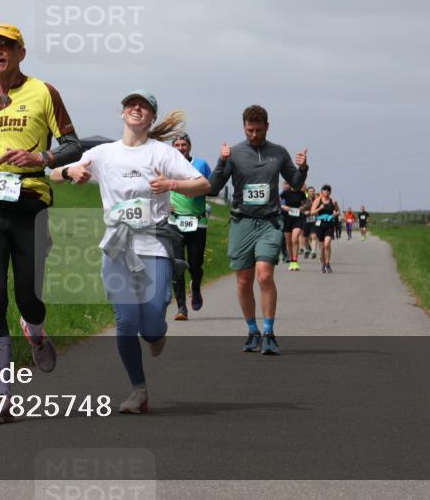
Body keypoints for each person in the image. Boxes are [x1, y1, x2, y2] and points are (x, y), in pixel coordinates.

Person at [0, 23, 84, 424]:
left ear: (21, 53)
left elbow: (74, 145)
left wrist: (43, 159)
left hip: (31, 204)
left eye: (6, 46)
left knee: (27, 297)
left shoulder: (44, 92)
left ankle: (36, 330)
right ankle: (2, 395)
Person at [51, 91, 209, 413]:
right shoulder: (103, 154)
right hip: (117, 247)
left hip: (153, 244)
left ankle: (157, 332)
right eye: (131, 105)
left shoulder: (162, 154)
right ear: (122, 113)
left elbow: (203, 184)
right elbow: (53, 173)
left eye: (144, 106)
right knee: (125, 322)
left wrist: (172, 185)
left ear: (151, 118)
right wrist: (69, 172)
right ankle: (138, 391)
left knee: (150, 324)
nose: (136, 109)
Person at [208, 105, 308, 355]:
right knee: (243, 281)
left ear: (267, 127)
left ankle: (269, 333)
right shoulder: (233, 153)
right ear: (244, 127)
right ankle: (252, 331)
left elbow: (295, 183)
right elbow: (212, 187)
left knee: (264, 275)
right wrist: (221, 161)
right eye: (249, 130)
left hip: (269, 222)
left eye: (258, 130)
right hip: (242, 221)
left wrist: (303, 168)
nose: (254, 134)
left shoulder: (279, 153)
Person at [169, 133, 212, 320]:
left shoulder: (201, 165)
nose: (180, 148)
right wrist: (163, 202)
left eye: (184, 144)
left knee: (195, 265)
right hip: (174, 222)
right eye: (177, 145)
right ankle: (181, 308)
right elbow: (156, 187)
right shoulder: (166, 165)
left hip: (197, 223)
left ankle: (195, 288)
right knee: (176, 266)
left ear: (190, 146)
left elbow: (211, 187)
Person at [310, 185, 338, 273]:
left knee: (327, 244)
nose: (326, 191)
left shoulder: (333, 201)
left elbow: (337, 211)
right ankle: (323, 263)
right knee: (322, 247)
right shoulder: (317, 200)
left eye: (328, 190)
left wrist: (335, 214)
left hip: (329, 224)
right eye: (325, 190)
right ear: (322, 191)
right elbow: (312, 212)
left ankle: (328, 263)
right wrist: (320, 208)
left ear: (330, 192)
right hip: (320, 224)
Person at [280, 180, 306, 271]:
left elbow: (306, 204)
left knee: (295, 239)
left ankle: (295, 261)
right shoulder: (285, 193)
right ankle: (291, 261)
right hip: (287, 218)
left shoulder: (302, 193)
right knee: (288, 242)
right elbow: (277, 202)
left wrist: (302, 208)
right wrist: (283, 207)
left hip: (298, 218)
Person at [301, 186, 317, 259]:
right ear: (307, 192)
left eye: (313, 191)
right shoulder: (304, 200)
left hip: (314, 220)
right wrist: (304, 211)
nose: (312, 192)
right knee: (305, 238)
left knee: (314, 236)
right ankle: (306, 250)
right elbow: (300, 208)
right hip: (305, 220)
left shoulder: (317, 200)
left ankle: (313, 251)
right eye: (310, 191)